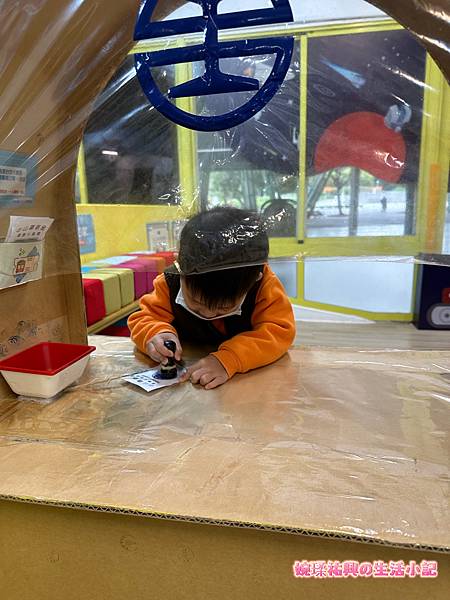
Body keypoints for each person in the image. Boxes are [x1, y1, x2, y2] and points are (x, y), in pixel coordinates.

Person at [128, 207, 296, 389]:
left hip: (242, 383)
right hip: (187, 370)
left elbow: (279, 331)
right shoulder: (169, 283)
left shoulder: (263, 286)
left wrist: (230, 358)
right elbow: (145, 317)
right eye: (197, 304)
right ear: (181, 270)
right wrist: (155, 333)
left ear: (254, 280)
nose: (208, 314)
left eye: (223, 308)